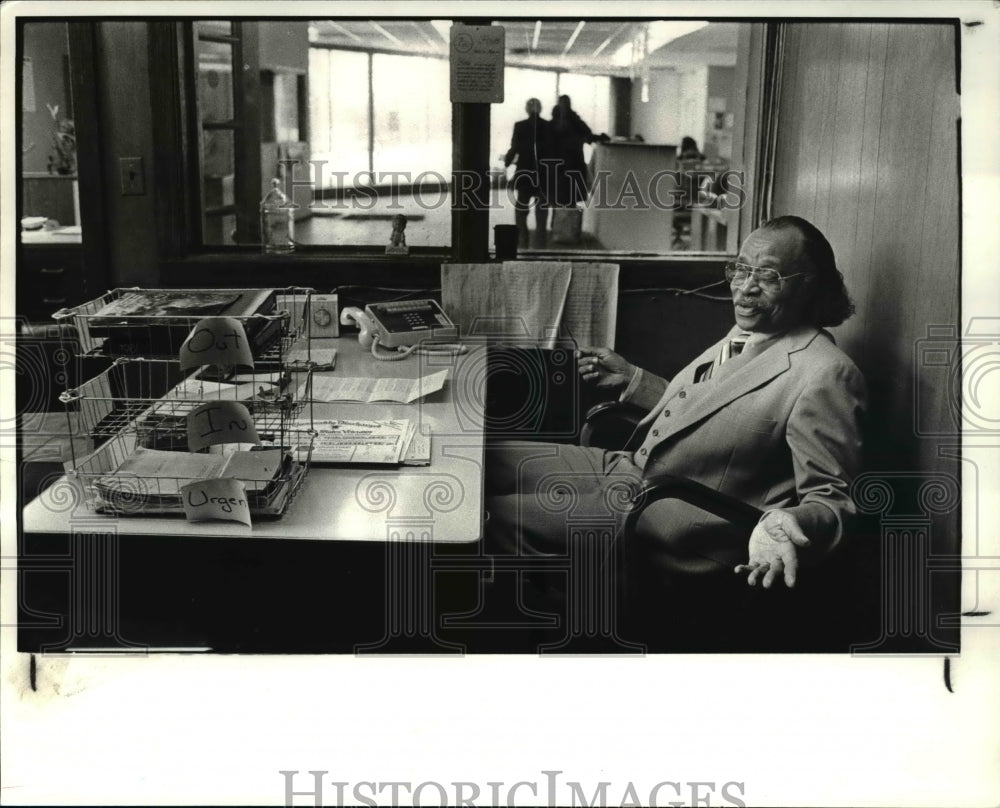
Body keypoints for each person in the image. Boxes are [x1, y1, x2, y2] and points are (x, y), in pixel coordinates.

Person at [485, 215, 866, 592]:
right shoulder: (752, 330)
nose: (746, 288)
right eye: (741, 269)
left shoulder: (825, 373)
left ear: (809, 286)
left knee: (494, 517)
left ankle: (549, 634)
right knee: (484, 461)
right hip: (633, 469)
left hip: (666, 517)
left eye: (768, 276)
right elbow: (718, 410)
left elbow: (833, 500)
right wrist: (633, 380)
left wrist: (784, 520)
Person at [503, 98, 551, 248]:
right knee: (542, 211)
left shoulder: (520, 126)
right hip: (543, 174)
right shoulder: (548, 126)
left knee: (521, 210)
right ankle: (540, 243)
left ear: (527, 109)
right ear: (541, 109)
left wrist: (507, 161)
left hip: (525, 173)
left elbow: (514, 147)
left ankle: (523, 241)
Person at [548, 94, 609, 207]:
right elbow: (588, 135)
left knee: (559, 200)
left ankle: (558, 224)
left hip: (558, 166)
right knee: (570, 200)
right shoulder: (575, 120)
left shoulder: (553, 124)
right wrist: (600, 137)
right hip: (573, 164)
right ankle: (567, 224)